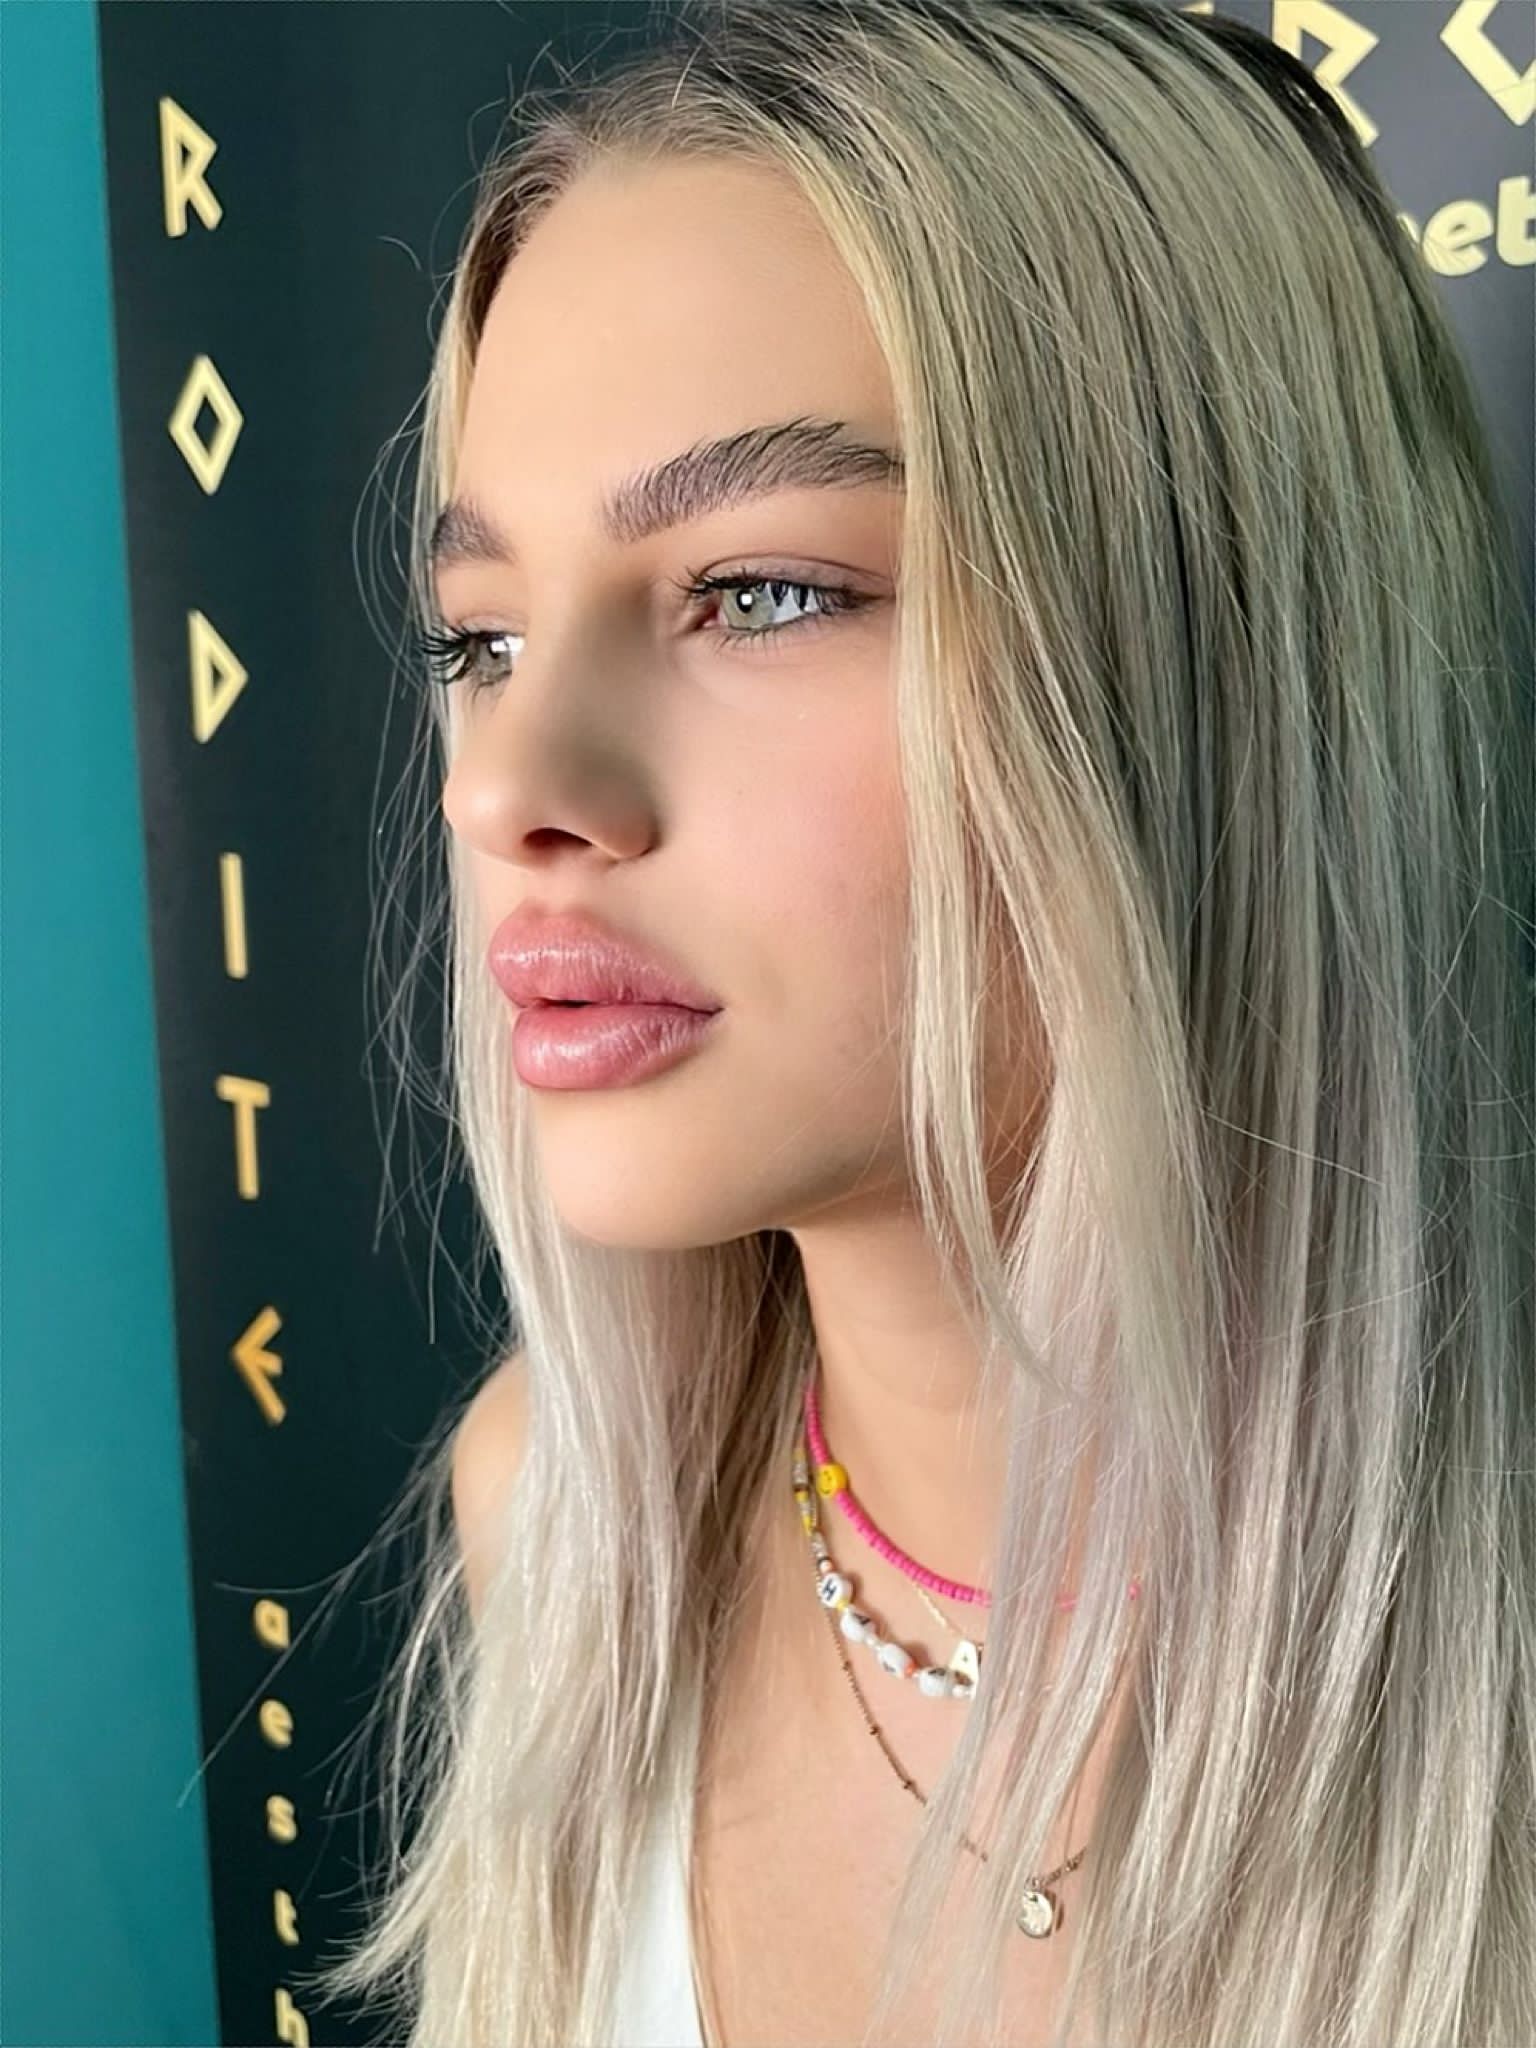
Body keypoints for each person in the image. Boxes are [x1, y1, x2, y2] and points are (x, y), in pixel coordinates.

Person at [299, 3, 1535, 2044]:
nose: (511, 781)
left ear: (1212, 665)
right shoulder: (553, 1526)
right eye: (480, 636)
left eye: (761, 592)